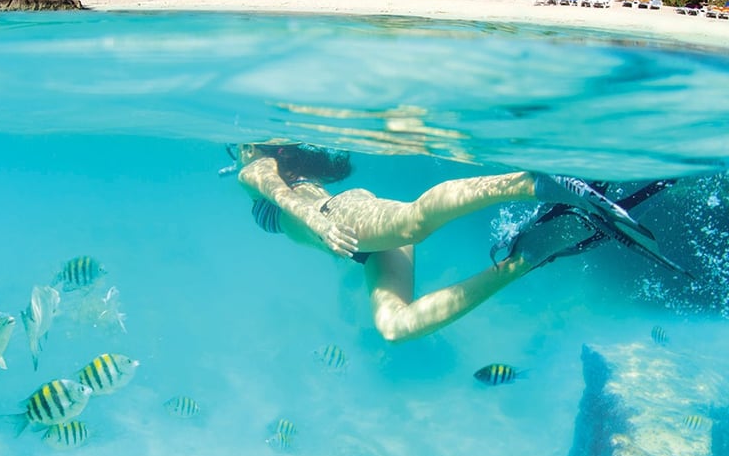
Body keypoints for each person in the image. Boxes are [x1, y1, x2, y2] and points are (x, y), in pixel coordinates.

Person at [232, 142, 670, 342]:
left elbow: (281, 197)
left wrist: (322, 226)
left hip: (339, 219)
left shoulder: (252, 167)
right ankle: (528, 257)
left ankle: (532, 183)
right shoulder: (263, 163)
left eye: (235, 148)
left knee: (413, 223)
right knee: (393, 328)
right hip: (357, 248)